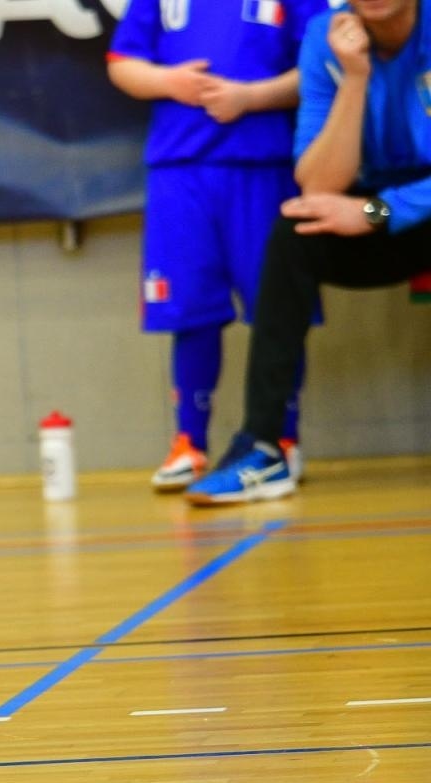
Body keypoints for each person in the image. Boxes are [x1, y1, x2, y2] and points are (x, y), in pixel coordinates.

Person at [187, 0, 431, 505]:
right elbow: (319, 183)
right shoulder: (327, 37)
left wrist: (377, 211)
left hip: (396, 210)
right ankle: (263, 448)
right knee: (295, 233)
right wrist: (355, 77)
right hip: (373, 215)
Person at [108, 0, 325, 492]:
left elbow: (322, 67)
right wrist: (168, 82)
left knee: (278, 309)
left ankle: (281, 440)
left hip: (262, 167)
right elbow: (122, 63)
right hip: (180, 169)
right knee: (189, 309)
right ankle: (189, 441)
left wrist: (252, 97)